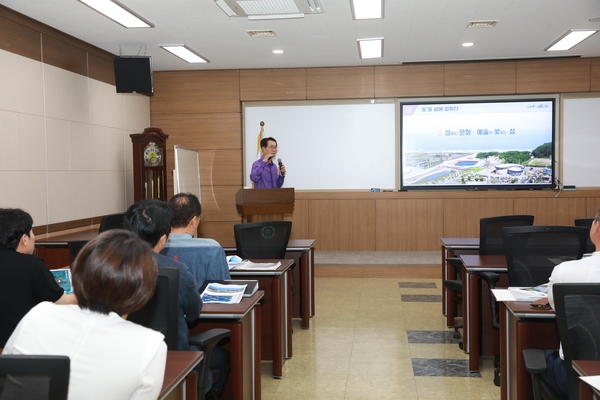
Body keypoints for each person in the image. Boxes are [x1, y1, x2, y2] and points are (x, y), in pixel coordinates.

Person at [3, 229, 167, 400]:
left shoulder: (38, 313)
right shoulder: (151, 345)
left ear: (79, 271)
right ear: (144, 290)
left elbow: (5, 380)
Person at [131, 198, 230, 399]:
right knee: (224, 358)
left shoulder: (114, 268)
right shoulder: (177, 270)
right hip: (174, 354)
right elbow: (193, 314)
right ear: (162, 239)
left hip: (132, 354)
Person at [543, 208, 600, 398]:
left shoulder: (565, 272)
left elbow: (556, 306)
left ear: (597, 228)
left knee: (540, 357)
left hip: (577, 377)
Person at [0, 208, 76, 347]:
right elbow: (62, 301)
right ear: (24, 239)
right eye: (32, 232)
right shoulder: (31, 264)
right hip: (21, 345)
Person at [160, 193, 230, 287]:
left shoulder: (155, 246)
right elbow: (221, 289)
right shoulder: (212, 248)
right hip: (201, 302)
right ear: (193, 221)